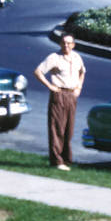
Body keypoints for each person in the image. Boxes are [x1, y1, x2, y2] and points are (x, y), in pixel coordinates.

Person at [34, 33, 86, 170]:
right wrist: (50, 86)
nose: (66, 45)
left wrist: (79, 87)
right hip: (59, 94)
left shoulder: (77, 58)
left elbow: (82, 72)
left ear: (73, 45)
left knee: (69, 129)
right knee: (57, 128)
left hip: (71, 95)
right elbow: (38, 72)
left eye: (69, 43)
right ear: (60, 44)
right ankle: (57, 161)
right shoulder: (54, 58)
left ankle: (67, 160)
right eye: (63, 43)